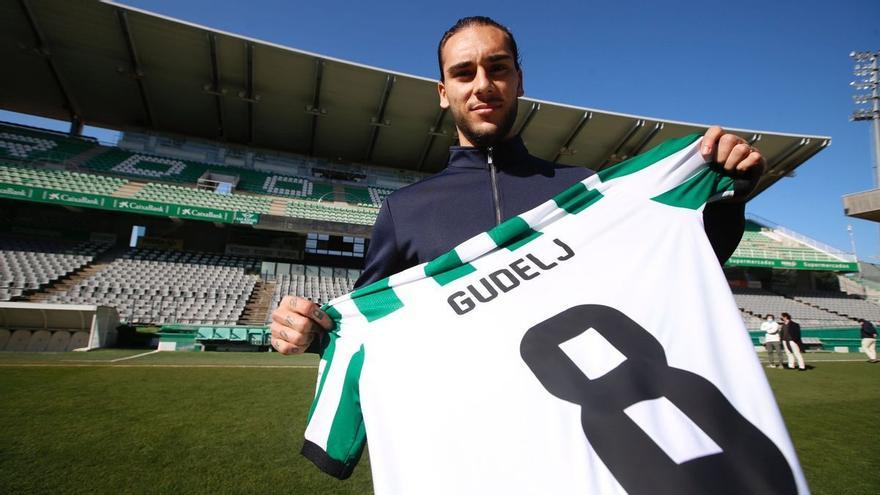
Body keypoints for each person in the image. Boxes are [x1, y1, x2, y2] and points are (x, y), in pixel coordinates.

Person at [269, 16, 767, 355]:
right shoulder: (405, 209)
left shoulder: (586, 190)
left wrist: (728, 194)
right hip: (472, 448)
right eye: (463, 73)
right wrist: (309, 332)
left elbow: (676, 265)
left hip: (589, 440)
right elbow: (367, 329)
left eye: (498, 68)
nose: (482, 84)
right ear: (444, 93)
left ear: (519, 80)